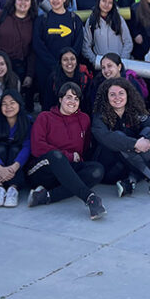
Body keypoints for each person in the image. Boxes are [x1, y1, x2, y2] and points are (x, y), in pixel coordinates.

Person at [26, 83, 106, 220]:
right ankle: (89, 197)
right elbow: (37, 147)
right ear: (60, 99)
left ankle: (45, 197)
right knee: (56, 156)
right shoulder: (45, 117)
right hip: (44, 170)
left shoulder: (84, 119)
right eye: (69, 97)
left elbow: (84, 148)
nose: (72, 102)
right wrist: (67, 155)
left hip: (68, 170)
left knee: (97, 170)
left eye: (76, 98)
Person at [91, 78, 150, 199]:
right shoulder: (100, 117)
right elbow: (107, 137)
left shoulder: (133, 113)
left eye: (121, 93)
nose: (117, 97)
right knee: (118, 137)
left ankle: (131, 181)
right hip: (110, 168)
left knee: (148, 131)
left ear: (127, 95)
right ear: (106, 97)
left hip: (131, 163)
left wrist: (148, 141)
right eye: (112, 94)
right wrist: (135, 143)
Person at [33, 0, 84, 105]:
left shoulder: (74, 20)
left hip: (69, 70)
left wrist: (67, 62)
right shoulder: (41, 20)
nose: (55, 0)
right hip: (46, 70)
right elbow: (38, 44)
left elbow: (78, 43)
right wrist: (54, 64)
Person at [0, 90, 33, 207]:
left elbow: (27, 147)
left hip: (17, 165)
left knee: (15, 149)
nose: (8, 107)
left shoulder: (27, 120)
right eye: (4, 104)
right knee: (1, 148)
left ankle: (13, 189)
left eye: (12, 103)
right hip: (0, 165)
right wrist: (0, 169)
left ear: (19, 104)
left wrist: (13, 168)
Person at [83, 53, 148, 114]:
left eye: (109, 66)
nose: (106, 70)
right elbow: (95, 108)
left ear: (119, 66)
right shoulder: (98, 84)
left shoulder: (131, 82)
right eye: (103, 67)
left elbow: (139, 106)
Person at [83, 0, 133, 64]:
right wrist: (95, 61)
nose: (106, 5)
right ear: (99, 1)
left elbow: (128, 42)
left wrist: (121, 61)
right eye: (104, 1)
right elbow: (86, 46)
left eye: (110, 3)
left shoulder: (119, 19)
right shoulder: (92, 20)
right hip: (100, 66)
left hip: (118, 65)